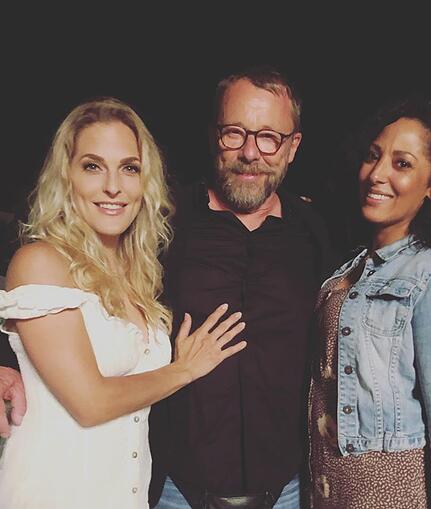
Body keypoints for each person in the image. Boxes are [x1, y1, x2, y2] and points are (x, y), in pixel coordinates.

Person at [0, 98, 247, 508]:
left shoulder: (137, 274)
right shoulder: (40, 262)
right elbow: (90, 403)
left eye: (129, 168)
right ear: (66, 176)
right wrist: (184, 369)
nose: (113, 186)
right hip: (52, 492)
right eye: (93, 166)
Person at [148, 66, 335, 508]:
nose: (250, 153)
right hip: (176, 488)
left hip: (286, 490)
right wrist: (8, 364)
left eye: (269, 137)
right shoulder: (162, 221)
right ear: (214, 135)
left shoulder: (316, 233)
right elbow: (81, 276)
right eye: (234, 133)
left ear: (292, 147)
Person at [309, 95, 431, 508]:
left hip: (394, 495)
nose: (377, 174)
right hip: (328, 493)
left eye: (402, 164)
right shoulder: (348, 270)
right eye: (373, 156)